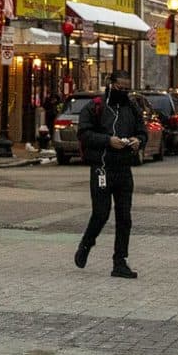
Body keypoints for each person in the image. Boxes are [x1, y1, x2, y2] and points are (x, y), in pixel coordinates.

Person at [73, 71, 146, 278]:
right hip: (102, 168)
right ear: (110, 85)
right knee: (101, 213)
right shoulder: (95, 106)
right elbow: (84, 133)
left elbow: (143, 132)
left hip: (124, 168)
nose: (123, 92)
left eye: (126, 89)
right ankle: (87, 243)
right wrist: (107, 141)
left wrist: (138, 141)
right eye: (119, 88)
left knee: (124, 217)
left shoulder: (131, 107)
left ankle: (119, 261)